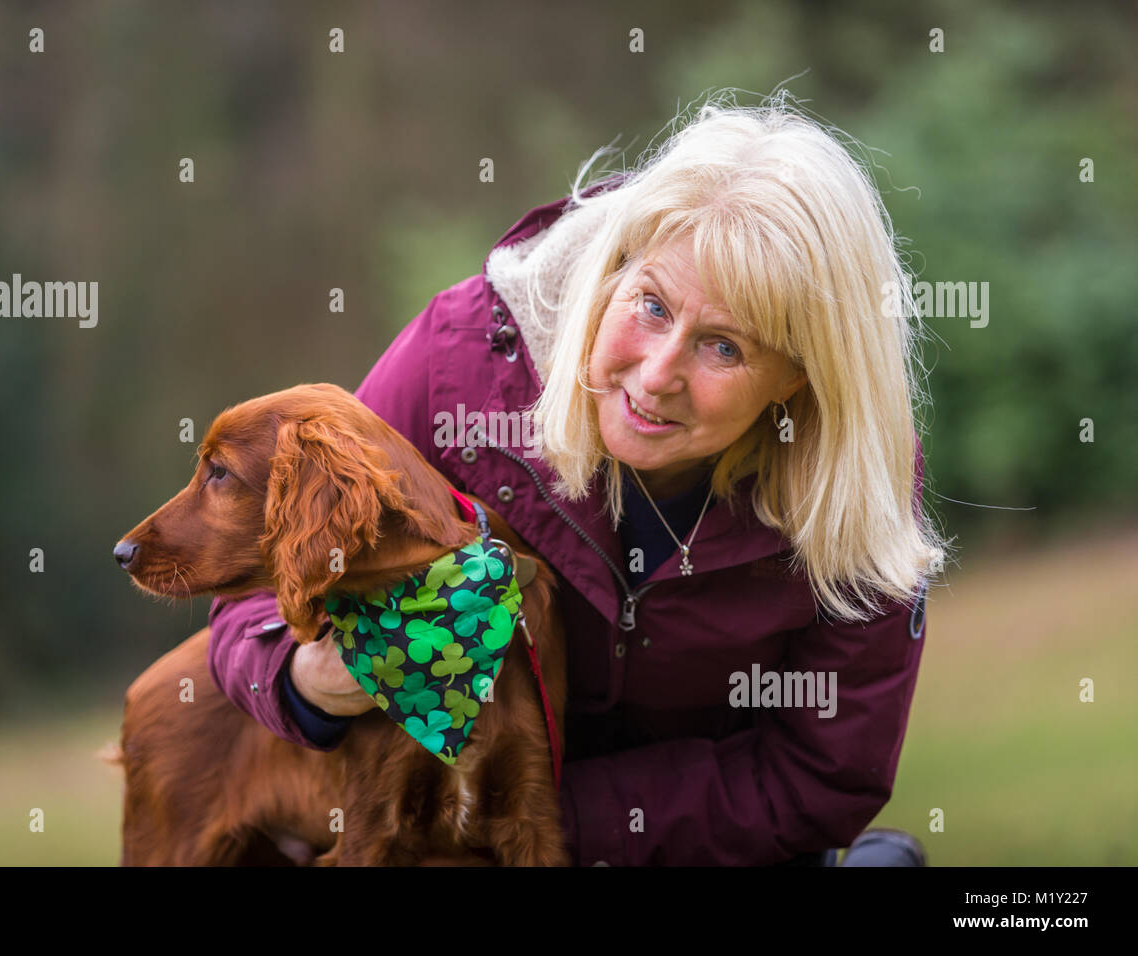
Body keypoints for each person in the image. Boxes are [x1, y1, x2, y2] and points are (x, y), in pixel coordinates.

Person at [206, 96, 946, 866]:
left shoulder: (857, 479)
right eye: (652, 305)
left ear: (798, 379)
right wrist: (299, 681)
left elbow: (819, 780)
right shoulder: (460, 363)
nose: (657, 376)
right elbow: (249, 593)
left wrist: (531, 822)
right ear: (616, 265)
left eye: (723, 348)